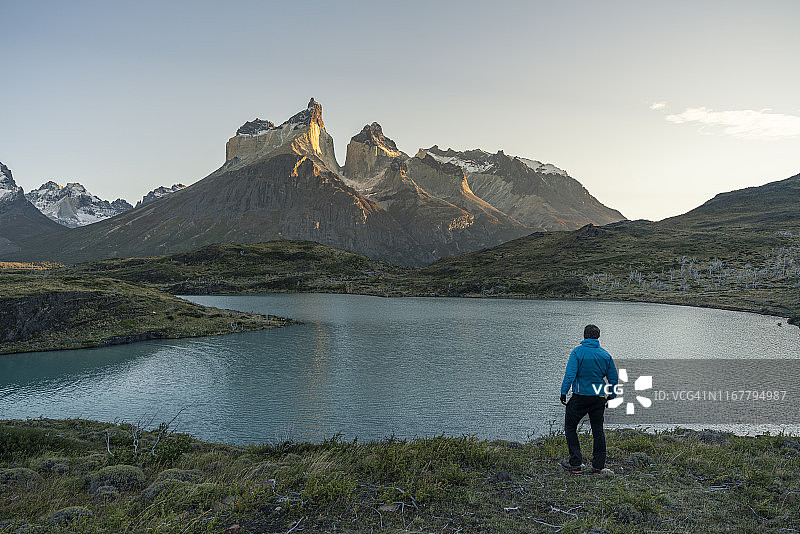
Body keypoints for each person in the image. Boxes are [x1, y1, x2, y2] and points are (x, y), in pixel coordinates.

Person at [559, 324, 618, 475]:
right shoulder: (605, 355)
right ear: (598, 337)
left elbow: (570, 375)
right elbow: (613, 378)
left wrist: (563, 392)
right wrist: (611, 395)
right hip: (598, 398)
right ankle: (598, 467)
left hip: (580, 397)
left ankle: (576, 463)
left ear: (584, 336)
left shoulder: (577, 352)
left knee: (570, 427)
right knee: (598, 430)